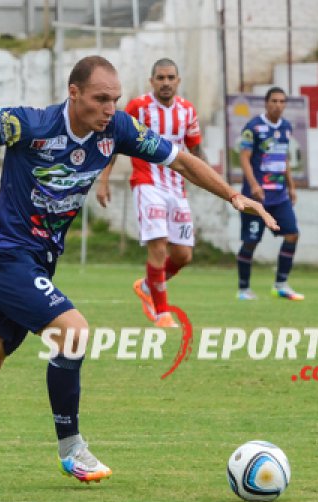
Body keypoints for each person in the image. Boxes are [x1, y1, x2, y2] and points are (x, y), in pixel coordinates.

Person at [0, 55, 277, 482]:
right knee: (73, 330)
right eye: (100, 99)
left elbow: (182, 160)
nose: (110, 109)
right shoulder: (29, 124)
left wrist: (233, 196)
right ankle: (71, 449)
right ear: (74, 93)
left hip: (38, 262)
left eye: (115, 99)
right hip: (3, 254)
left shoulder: (118, 130)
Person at [95, 58, 208, 328]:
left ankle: (147, 286)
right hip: (147, 184)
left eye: (171, 77)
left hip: (176, 187)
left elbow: (195, 150)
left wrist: (213, 181)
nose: (166, 82)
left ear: (178, 81)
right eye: (161, 78)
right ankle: (162, 313)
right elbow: (115, 143)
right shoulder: (139, 107)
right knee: (158, 245)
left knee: (183, 256)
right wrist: (104, 179)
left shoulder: (188, 111)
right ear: (152, 81)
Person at [236, 87, 303, 301]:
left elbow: (284, 159)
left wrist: (291, 186)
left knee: (292, 234)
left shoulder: (286, 127)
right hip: (256, 199)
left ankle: (281, 284)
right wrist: (254, 185)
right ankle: (243, 289)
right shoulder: (254, 127)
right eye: (274, 100)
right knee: (251, 241)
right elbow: (244, 158)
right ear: (266, 103)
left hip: (279, 196)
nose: (278, 105)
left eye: (282, 101)